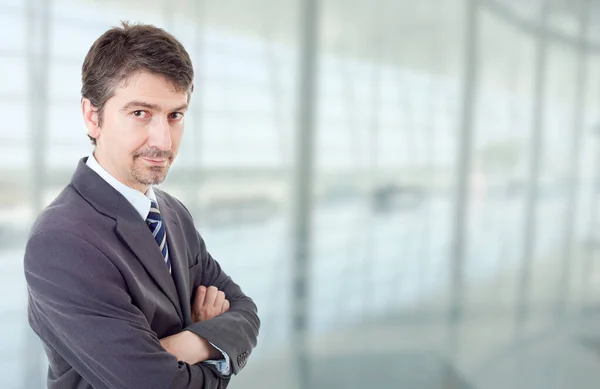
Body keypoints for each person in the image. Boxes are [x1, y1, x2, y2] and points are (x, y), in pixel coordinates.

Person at [23, 21, 260, 389]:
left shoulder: (172, 213)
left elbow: (245, 313)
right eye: (140, 113)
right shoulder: (61, 241)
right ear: (92, 116)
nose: (163, 140)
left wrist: (186, 342)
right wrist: (210, 341)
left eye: (175, 115)